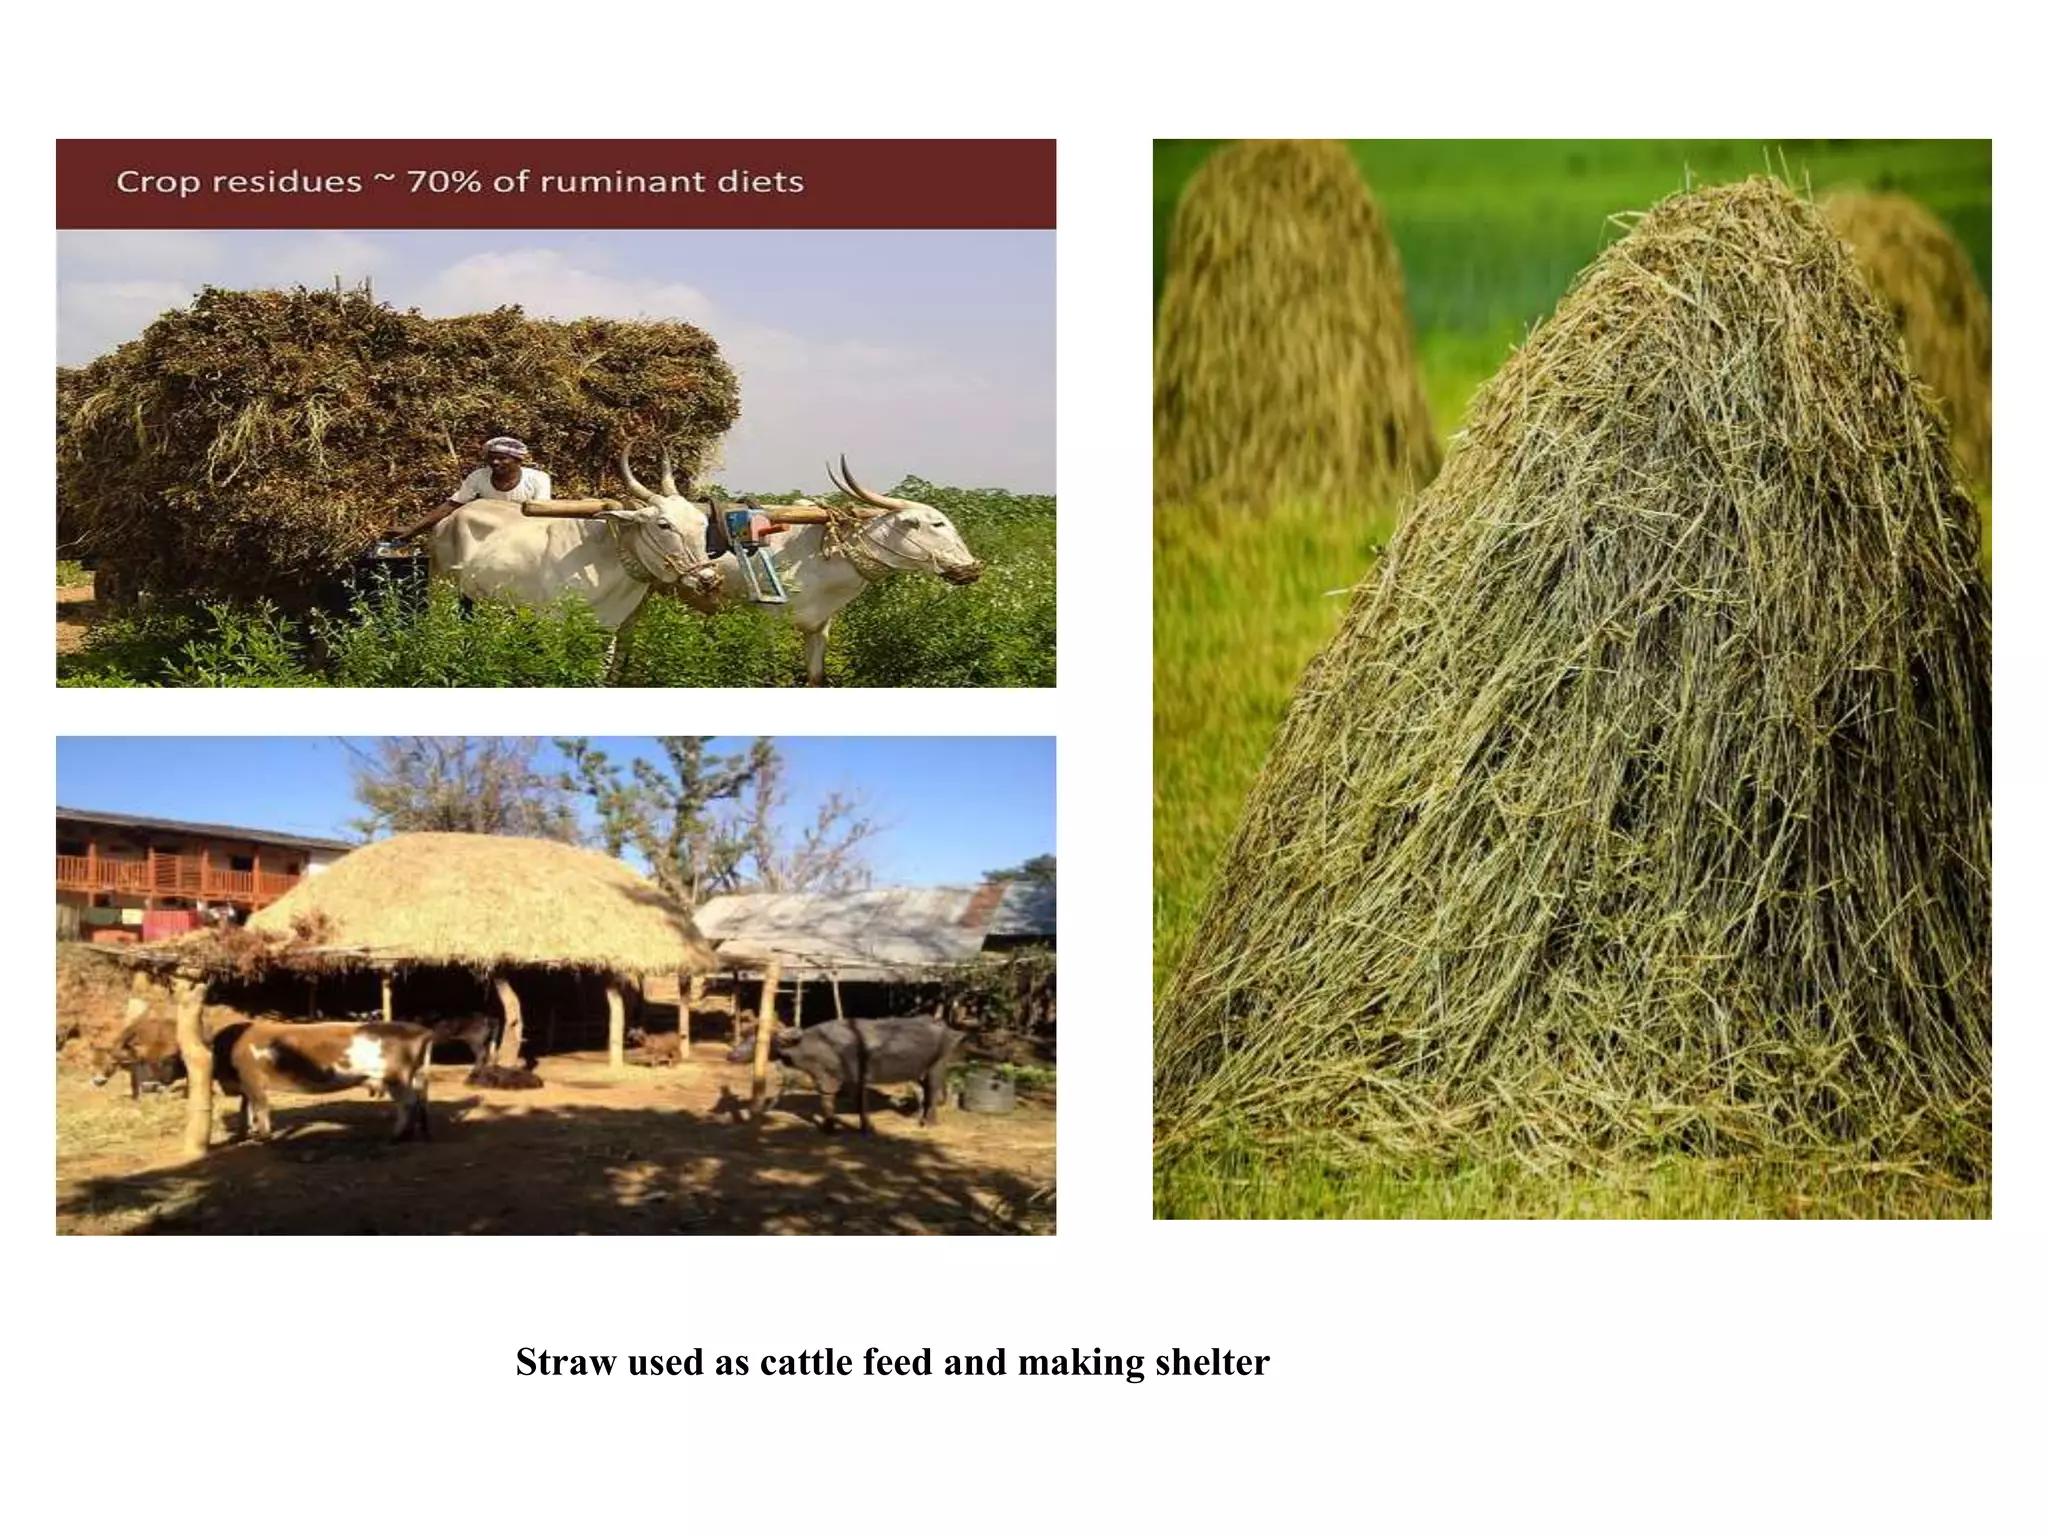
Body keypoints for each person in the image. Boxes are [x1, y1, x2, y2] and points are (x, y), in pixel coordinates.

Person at [392, 436, 553, 541]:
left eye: (502, 458)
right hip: (488, 533)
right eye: (492, 458)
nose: (496, 463)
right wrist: (414, 529)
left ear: (518, 461)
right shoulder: (478, 477)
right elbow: (453, 505)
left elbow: (540, 514)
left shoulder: (538, 479)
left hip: (525, 532)